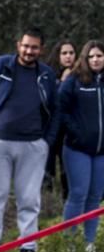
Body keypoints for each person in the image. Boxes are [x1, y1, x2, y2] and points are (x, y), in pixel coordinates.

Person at [0, 27, 60, 252]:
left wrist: (47, 141)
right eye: (26, 46)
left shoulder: (46, 75)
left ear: (41, 49)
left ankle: (28, 250)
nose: (29, 51)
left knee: (29, 200)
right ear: (18, 44)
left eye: (34, 47)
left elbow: (56, 109)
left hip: (33, 145)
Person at [58, 40, 104, 252]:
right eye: (91, 56)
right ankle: (68, 244)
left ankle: (88, 244)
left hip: (101, 151)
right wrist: (76, 132)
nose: (95, 60)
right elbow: (61, 109)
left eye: (99, 56)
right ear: (85, 59)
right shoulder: (74, 81)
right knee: (78, 194)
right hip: (77, 149)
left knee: (95, 198)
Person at [45, 40, 76, 200]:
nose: (68, 56)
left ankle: (66, 203)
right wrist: (62, 82)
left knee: (68, 172)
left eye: (71, 53)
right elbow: (50, 102)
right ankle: (48, 203)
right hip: (51, 130)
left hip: (69, 132)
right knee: (47, 171)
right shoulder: (48, 75)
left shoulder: (80, 76)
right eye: (64, 53)